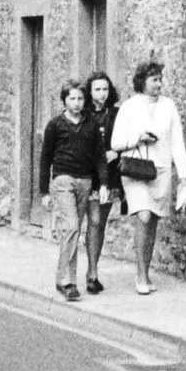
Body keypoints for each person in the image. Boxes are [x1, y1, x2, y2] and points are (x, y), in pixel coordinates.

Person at [108, 58, 186, 296]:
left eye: (160, 79)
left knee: (153, 220)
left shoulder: (169, 106)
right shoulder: (129, 107)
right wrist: (138, 138)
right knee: (144, 216)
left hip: (160, 170)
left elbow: (177, 143)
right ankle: (141, 275)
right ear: (142, 82)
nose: (159, 84)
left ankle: (145, 270)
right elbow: (116, 142)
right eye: (154, 80)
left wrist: (184, 176)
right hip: (135, 169)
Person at [37, 80, 100, 301]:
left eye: (80, 99)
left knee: (73, 231)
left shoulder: (91, 125)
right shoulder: (55, 125)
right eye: (72, 98)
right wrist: (44, 191)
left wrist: (100, 186)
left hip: (85, 181)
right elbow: (45, 158)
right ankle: (67, 281)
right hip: (63, 180)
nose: (76, 103)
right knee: (71, 226)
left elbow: (99, 157)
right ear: (64, 101)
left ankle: (64, 277)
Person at [81, 71, 121, 295]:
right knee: (93, 220)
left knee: (100, 223)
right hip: (88, 174)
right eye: (97, 89)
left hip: (109, 175)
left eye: (105, 89)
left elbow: (125, 138)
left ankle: (93, 270)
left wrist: (116, 152)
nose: (102, 94)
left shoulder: (115, 114)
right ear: (90, 91)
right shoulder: (83, 114)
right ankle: (90, 272)